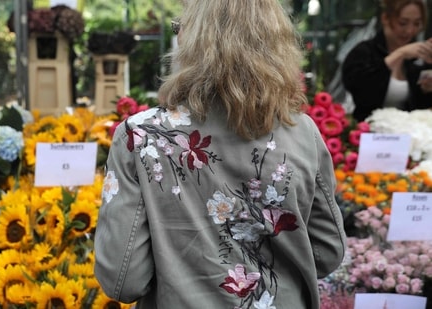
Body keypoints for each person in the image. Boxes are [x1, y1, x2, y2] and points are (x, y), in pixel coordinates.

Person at [94, 1, 346, 308]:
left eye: (180, 26)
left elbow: (124, 279)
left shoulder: (141, 136)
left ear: (191, 39)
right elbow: (327, 253)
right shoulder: (302, 132)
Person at [342, 0, 432, 122]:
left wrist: (426, 89)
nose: (410, 30)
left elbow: (420, 106)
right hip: (368, 131)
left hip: (409, 132)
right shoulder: (363, 52)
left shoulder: (418, 58)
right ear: (385, 18)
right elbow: (362, 92)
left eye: (416, 24)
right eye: (403, 23)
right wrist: (399, 54)